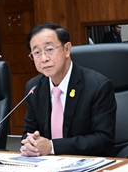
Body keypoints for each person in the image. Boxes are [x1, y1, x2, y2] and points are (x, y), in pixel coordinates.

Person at [20, 23, 116, 157]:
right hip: (45, 164)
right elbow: (29, 132)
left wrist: (52, 147)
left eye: (49, 49)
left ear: (67, 49)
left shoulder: (98, 86)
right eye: (37, 53)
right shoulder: (34, 87)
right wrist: (30, 144)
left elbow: (103, 140)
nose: (44, 58)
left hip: (86, 162)